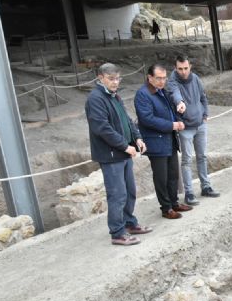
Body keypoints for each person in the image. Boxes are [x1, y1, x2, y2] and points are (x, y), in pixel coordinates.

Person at [85, 63, 151, 246]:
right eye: (111, 79)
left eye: (118, 78)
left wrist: (137, 138)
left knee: (130, 191)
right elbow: (102, 128)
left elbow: (127, 120)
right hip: (111, 155)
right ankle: (117, 232)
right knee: (117, 194)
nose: (115, 82)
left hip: (124, 152)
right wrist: (124, 145)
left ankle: (129, 223)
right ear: (100, 78)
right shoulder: (95, 99)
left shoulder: (114, 96)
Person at [134, 64, 192, 219]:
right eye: (158, 78)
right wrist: (172, 125)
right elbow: (147, 119)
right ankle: (166, 208)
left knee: (173, 174)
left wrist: (178, 117)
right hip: (156, 142)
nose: (162, 81)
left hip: (170, 139)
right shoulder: (143, 94)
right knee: (161, 177)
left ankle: (174, 202)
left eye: (164, 78)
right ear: (150, 77)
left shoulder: (162, 91)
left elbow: (170, 111)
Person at [167, 55, 220, 206]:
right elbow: (175, 93)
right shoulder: (173, 81)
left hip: (200, 124)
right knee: (186, 160)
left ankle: (206, 186)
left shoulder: (195, 78)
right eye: (180, 69)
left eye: (186, 68)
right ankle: (189, 193)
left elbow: (203, 97)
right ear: (175, 68)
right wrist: (180, 103)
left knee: (202, 156)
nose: (183, 72)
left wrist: (205, 114)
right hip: (185, 128)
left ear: (190, 67)